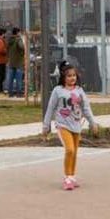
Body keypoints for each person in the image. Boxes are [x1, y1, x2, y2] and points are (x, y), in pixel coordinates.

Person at [42, 62, 99, 191]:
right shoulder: (58, 91)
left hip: (76, 125)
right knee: (70, 150)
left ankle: (72, 176)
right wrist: (46, 126)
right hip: (62, 125)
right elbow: (50, 109)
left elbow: (86, 108)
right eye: (69, 76)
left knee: (75, 152)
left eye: (74, 75)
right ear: (63, 77)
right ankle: (67, 177)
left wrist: (92, 123)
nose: (72, 78)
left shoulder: (79, 90)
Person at [6, 27, 25, 97]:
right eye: (19, 32)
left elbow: (7, 49)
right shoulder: (18, 39)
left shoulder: (9, 40)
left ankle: (10, 93)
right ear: (17, 32)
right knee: (18, 79)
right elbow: (22, 47)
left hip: (11, 62)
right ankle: (19, 93)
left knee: (10, 80)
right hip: (18, 62)